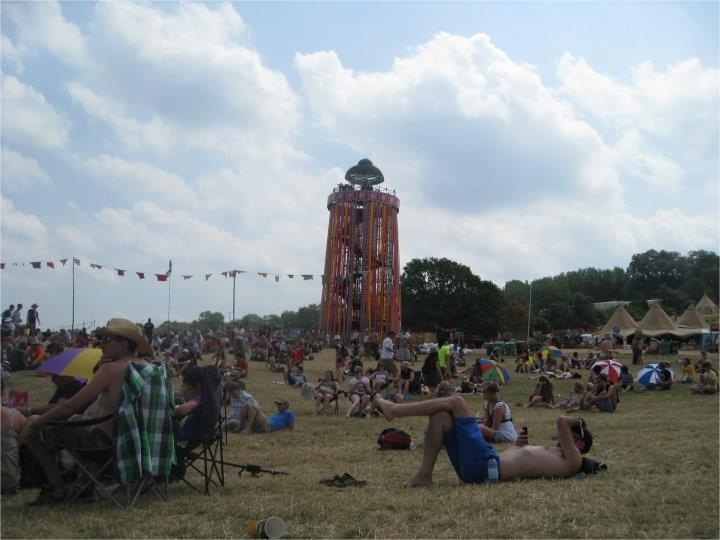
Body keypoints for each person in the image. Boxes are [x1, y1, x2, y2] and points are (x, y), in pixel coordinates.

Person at [19, 318, 151, 505]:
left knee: (33, 427)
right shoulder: (150, 368)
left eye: (107, 340)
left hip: (103, 445)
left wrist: (36, 423)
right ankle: (84, 485)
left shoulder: (111, 369)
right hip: (137, 443)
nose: (101, 345)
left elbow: (69, 407)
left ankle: (58, 488)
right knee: (88, 422)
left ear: (122, 343)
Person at [373, 393, 592, 487]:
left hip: (485, 466)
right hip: (482, 464)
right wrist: (519, 447)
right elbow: (521, 463)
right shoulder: (558, 457)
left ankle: (394, 409)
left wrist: (579, 421)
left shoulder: (575, 460)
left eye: (572, 435)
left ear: (579, 443)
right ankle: (424, 476)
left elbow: (562, 420)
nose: (562, 438)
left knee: (457, 402)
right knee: (441, 417)